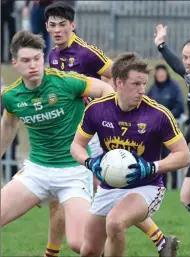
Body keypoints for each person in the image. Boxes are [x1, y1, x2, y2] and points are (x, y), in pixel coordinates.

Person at [43, 3, 179, 256]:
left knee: (111, 186)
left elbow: (116, 74)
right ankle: (160, 240)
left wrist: (106, 106)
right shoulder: (52, 56)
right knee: (101, 191)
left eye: (63, 24)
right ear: (47, 28)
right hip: (73, 130)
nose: (57, 30)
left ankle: (60, 250)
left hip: (96, 130)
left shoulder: (86, 53)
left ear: (73, 26)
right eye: (52, 25)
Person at [0, 30, 114, 256]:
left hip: (73, 173)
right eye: (25, 60)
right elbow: (8, 126)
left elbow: (106, 90)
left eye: (36, 59)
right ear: (15, 63)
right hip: (36, 172)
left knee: (80, 245)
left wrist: (99, 120)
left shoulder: (65, 82)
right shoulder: (12, 96)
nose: (33, 65)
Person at [70, 52, 190, 257]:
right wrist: (90, 163)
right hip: (109, 186)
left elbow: (183, 155)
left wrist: (152, 166)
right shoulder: (97, 109)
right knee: (88, 251)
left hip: (147, 186)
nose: (142, 90)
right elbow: (76, 146)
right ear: (119, 82)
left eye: (144, 84)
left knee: (116, 222)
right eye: (136, 84)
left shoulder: (158, 115)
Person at [154, 24, 190, 254]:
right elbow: (176, 66)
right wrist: (162, 45)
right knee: (186, 197)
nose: (188, 61)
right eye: (186, 57)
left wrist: (179, 144)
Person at [148, 64, 185, 188]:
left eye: (162, 73)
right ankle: (161, 184)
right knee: (159, 157)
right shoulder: (152, 89)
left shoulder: (174, 87)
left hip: (170, 129)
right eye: (158, 74)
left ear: (166, 74)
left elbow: (180, 106)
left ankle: (174, 185)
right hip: (155, 130)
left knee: (172, 155)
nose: (160, 76)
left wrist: (165, 116)